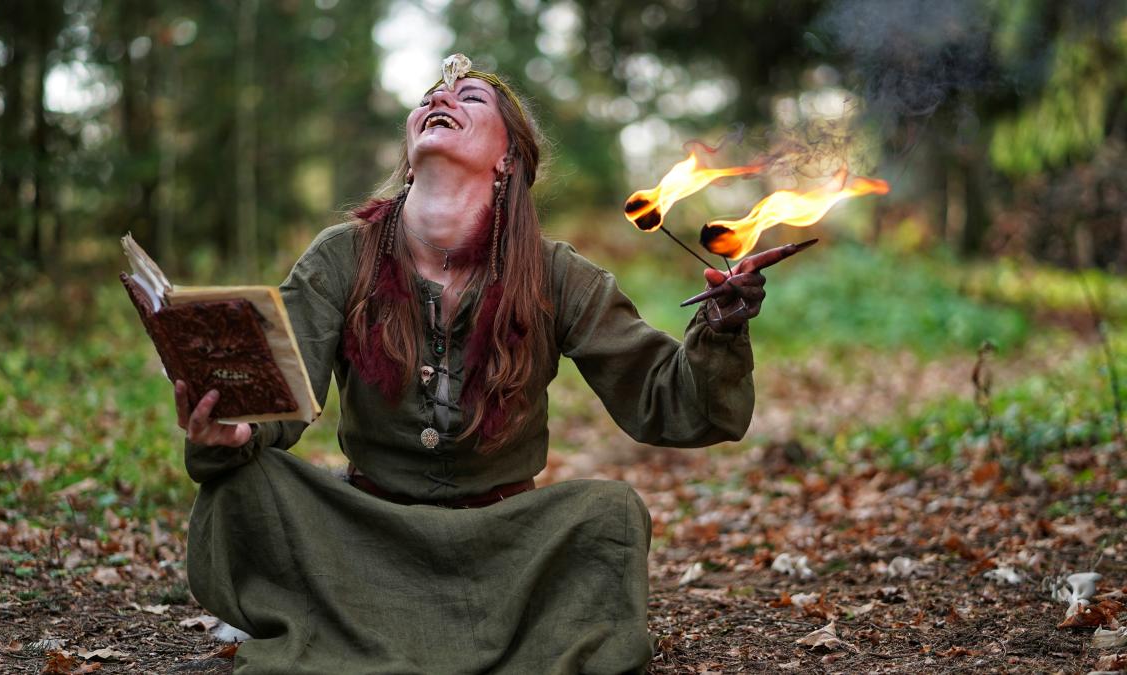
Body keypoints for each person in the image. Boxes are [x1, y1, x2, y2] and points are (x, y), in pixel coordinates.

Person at [173, 54, 765, 674]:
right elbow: (277, 394)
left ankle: (380, 638)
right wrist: (233, 429)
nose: (444, 99)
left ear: (509, 157)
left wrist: (719, 331)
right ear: (409, 145)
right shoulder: (342, 255)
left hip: (505, 548)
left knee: (610, 512)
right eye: (433, 94)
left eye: (472, 98)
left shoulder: (556, 272)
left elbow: (671, 405)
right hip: (365, 538)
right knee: (243, 485)